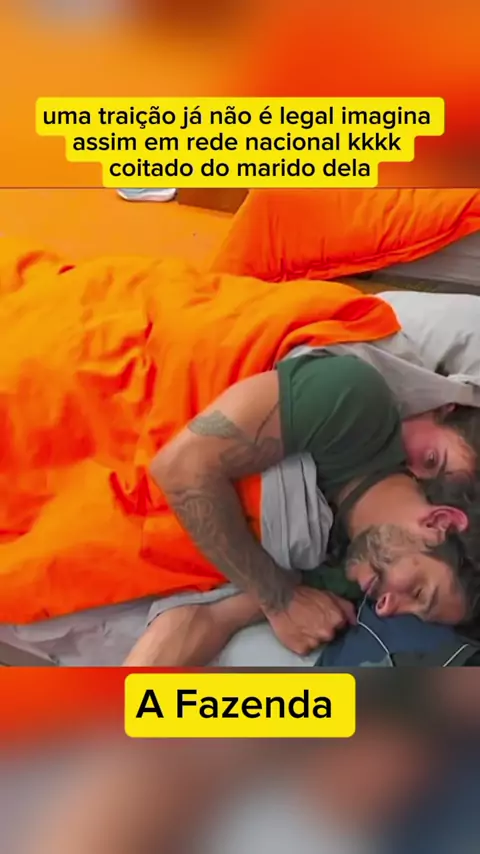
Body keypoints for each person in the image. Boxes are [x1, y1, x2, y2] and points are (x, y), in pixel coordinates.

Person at [130, 353, 480, 664]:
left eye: (412, 614)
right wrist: (278, 597)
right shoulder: (356, 405)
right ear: (440, 522)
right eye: (418, 592)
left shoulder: (341, 576)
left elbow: (207, 619)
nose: (387, 609)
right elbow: (179, 468)